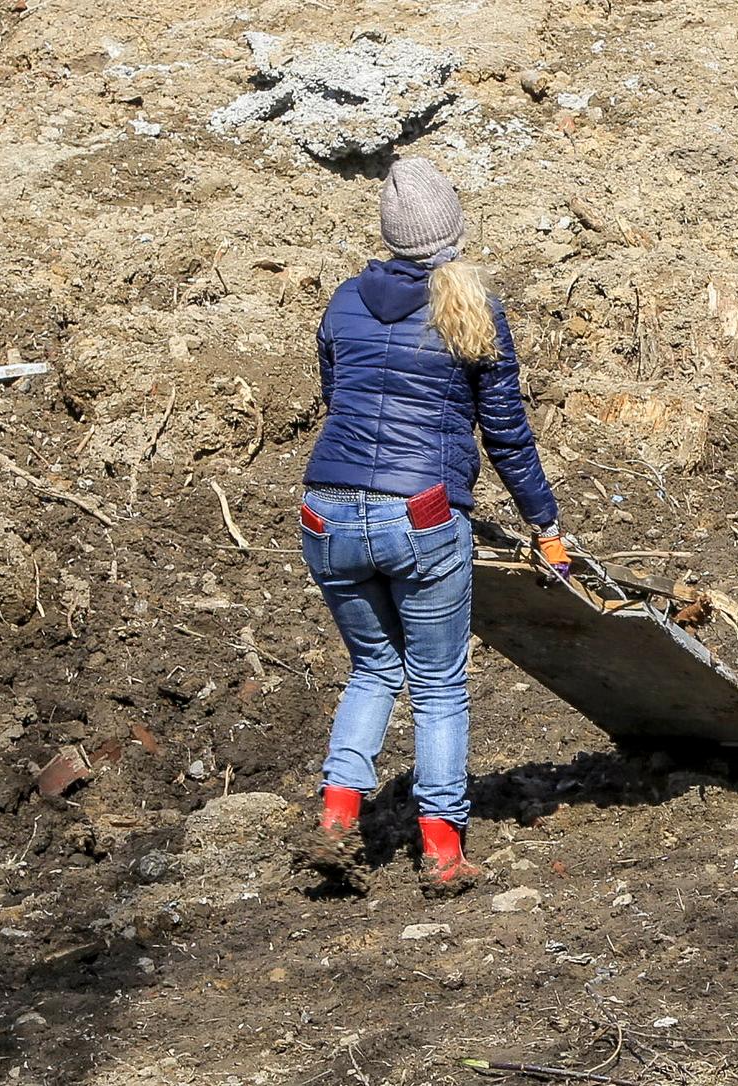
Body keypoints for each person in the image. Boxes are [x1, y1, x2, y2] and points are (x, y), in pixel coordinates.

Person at [297, 157, 568, 896]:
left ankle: (335, 817)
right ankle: (443, 850)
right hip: (420, 515)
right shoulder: (472, 307)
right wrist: (545, 524)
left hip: (324, 510)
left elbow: (335, 399)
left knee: (374, 669)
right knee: (439, 683)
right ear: (453, 229)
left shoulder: (345, 300)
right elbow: (506, 434)